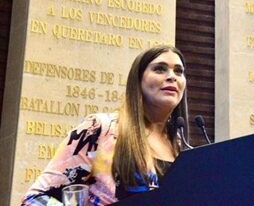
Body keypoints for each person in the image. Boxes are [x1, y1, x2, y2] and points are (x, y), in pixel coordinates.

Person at [22, 45, 189, 205]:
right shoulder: (100, 128)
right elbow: (34, 199)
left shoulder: (180, 144)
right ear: (138, 80)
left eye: (178, 71)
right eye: (160, 69)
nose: (172, 76)